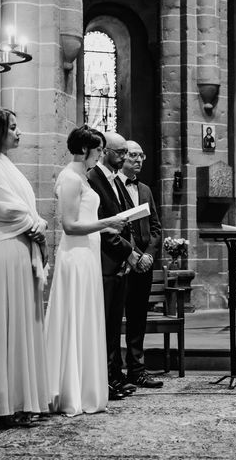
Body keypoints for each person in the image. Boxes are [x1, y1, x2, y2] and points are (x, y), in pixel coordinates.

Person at [0, 108, 50, 427]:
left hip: (17, 248)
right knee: (4, 327)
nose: (19, 133)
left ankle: (20, 399)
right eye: (12, 128)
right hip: (3, 250)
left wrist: (36, 221)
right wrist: (34, 223)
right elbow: (5, 206)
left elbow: (24, 207)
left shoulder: (4, 162)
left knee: (21, 326)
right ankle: (0, 402)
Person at [44, 126, 128, 416]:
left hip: (88, 256)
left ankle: (86, 387)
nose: (101, 155)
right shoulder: (69, 177)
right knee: (75, 320)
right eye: (99, 150)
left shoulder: (83, 177)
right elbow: (69, 225)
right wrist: (108, 223)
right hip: (75, 257)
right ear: (84, 150)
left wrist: (106, 223)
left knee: (87, 321)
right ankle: (71, 392)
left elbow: (85, 217)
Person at [87, 131, 140, 399]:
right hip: (106, 261)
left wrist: (129, 253)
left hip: (118, 263)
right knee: (105, 326)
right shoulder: (93, 178)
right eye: (119, 153)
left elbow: (122, 217)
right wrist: (128, 252)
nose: (123, 157)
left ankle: (115, 377)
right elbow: (103, 225)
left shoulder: (115, 180)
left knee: (114, 326)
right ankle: (105, 380)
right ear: (105, 150)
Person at [117, 140, 164, 388]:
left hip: (144, 263)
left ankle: (138, 370)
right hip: (122, 261)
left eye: (141, 155)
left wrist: (148, 255)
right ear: (122, 157)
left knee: (137, 319)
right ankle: (115, 371)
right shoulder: (114, 185)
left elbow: (155, 227)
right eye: (133, 155)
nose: (139, 160)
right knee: (115, 319)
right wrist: (133, 255)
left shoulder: (144, 189)